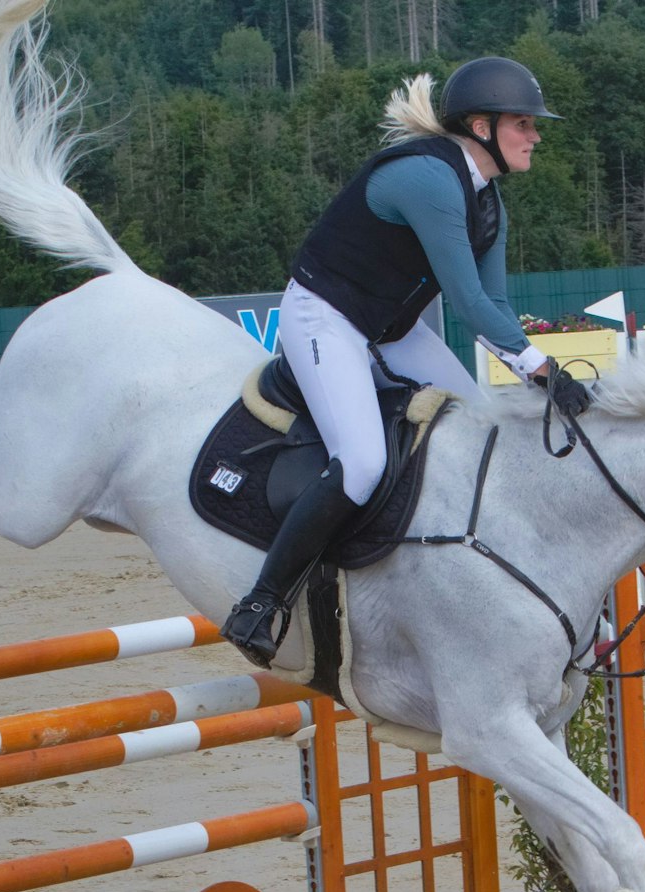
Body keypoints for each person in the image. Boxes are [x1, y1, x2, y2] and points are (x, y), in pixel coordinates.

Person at [222, 57, 592, 668]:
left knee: (481, 425)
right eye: (524, 123)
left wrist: (537, 368)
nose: (536, 135)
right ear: (481, 126)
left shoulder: (487, 201)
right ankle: (262, 602)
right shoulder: (428, 179)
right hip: (326, 317)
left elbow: (494, 302)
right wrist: (543, 371)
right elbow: (469, 302)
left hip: (390, 328)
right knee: (363, 462)